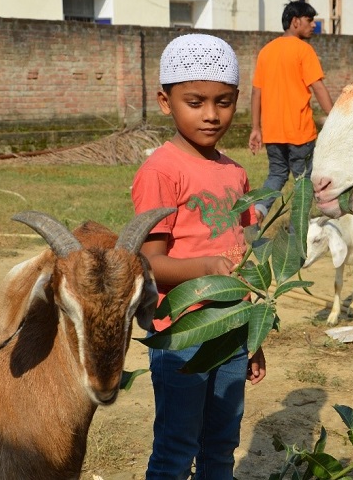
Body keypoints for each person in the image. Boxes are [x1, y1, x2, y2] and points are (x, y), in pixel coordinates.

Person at [131, 33, 267, 480]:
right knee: (176, 446)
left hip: (230, 332)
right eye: (195, 101)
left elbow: (244, 255)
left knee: (222, 442)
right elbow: (148, 263)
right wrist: (206, 270)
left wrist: (253, 335)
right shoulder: (161, 171)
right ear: (166, 102)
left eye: (224, 102)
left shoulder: (235, 172)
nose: (211, 114)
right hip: (181, 336)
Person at [249, 0, 334, 223]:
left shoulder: (266, 51)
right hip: (299, 132)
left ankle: (258, 210)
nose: (313, 25)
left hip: (273, 131)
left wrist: (256, 128)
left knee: (276, 174)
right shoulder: (304, 50)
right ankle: (299, 228)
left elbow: (256, 93)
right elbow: (318, 87)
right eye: (309, 20)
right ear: (295, 22)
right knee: (304, 182)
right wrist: (336, 117)